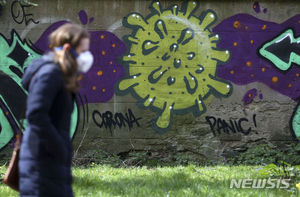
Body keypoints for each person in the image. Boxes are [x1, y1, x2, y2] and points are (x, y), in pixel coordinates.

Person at [19, 23, 93, 197]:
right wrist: (59, 147)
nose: (86, 56)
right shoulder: (51, 73)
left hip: (49, 161)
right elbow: (36, 115)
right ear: (68, 48)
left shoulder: (59, 73)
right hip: (42, 161)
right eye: (83, 51)